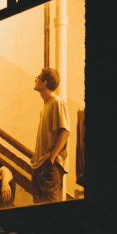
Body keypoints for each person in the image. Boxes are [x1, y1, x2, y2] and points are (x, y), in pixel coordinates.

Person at [31, 68, 71, 203]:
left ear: (45, 83)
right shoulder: (46, 106)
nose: (35, 80)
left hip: (50, 166)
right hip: (40, 165)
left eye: (38, 77)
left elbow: (65, 132)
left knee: (49, 209)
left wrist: (52, 157)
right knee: (39, 208)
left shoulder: (57, 102)